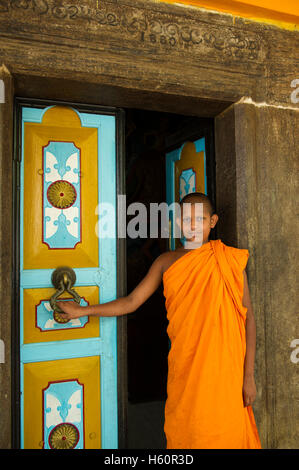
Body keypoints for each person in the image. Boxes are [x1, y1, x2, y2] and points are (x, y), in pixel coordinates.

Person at [56, 192, 262, 449]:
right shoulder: (166, 262)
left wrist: (248, 376)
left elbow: (248, 319)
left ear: (213, 221)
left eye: (200, 218)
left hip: (225, 374)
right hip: (185, 370)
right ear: (178, 223)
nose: (193, 225)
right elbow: (132, 301)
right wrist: (85, 311)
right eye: (186, 219)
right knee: (188, 434)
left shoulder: (228, 261)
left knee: (226, 435)